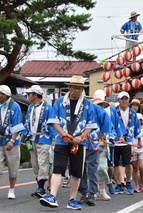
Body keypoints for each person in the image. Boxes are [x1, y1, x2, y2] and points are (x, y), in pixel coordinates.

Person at [40, 76, 97, 210]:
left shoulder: (88, 104)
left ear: (83, 89)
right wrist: (62, 134)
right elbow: (54, 121)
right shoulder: (60, 102)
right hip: (62, 140)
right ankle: (52, 196)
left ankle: (72, 199)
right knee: (58, 168)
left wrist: (81, 136)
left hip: (79, 142)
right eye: (74, 87)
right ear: (69, 87)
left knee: (76, 172)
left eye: (79, 88)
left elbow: (91, 124)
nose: (76, 90)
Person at [20, 85, 56, 198]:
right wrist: (21, 137)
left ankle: (41, 187)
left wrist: (54, 140)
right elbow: (27, 124)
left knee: (42, 162)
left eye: (29, 94)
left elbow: (52, 124)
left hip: (44, 139)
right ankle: (39, 187)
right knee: (35, 164)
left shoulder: (48, 108)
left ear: (35, 95)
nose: (27, 96)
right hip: (32, 138)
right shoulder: (30, 108)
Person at [0, 85, 25, 200]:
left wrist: (12, 140)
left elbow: (17, 125)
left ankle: (11, 189)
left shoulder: (15, 107)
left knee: (13, 167)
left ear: (4, 96)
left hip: (12, 141)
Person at [78, 96, 111, 206]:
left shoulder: (98, 110)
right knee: (81, 168)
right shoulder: (78, 108)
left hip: (92, 141)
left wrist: (101, 134)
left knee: (92, 167)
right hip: (80, 141)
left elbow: (106, 123)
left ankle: (92, 192)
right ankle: (84, 192)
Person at [93, 90, 126, 195]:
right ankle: (96, 189)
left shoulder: (111, 110)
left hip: (108, 141)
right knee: (94, 167)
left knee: (109, 166)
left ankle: (108, 182)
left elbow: (117, 124)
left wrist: (120, 135)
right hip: (93, 142)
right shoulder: (90, 112)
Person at [114, 92, 142, 195]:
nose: (124, 101)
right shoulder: (114, 111)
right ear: (119, 100)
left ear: (129, 100)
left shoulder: (132, 113)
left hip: (127, 141)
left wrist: (139, 140)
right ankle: (118, 184)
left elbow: (136, 127)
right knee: (115, 164)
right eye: (122, 99)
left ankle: (128, 182)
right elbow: (112, 125)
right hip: (116, 140)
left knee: (128, 163)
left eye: (126, 99)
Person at [132, 113, 143, 193]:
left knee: (141, 166)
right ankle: (136, 184)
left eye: (139, 120)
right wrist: (131, 149)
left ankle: (142, 181)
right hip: (134, 149)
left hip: (142, 150)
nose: (138, 121)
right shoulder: (132, 128)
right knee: (134, 168)